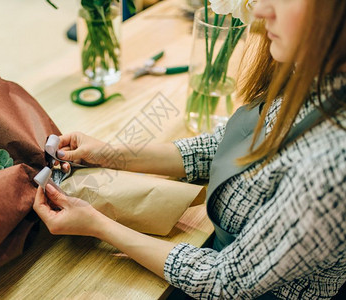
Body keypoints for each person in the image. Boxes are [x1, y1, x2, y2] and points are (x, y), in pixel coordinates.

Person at [33, 0, 346, 298]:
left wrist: (97, 225)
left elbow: (224, 281)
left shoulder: (332, 167)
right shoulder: (314, 70)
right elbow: (225, 145)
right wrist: (111, 153)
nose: (260, 9)